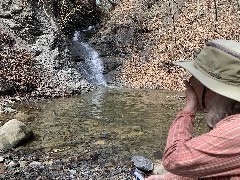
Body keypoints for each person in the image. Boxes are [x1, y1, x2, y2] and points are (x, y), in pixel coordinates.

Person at [146, 39, 240, 180]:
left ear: (209, 90)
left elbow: (174, 159)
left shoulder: (236, 130)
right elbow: (212, 163)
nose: (189, 81)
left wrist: (189, 108)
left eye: (194, 77)